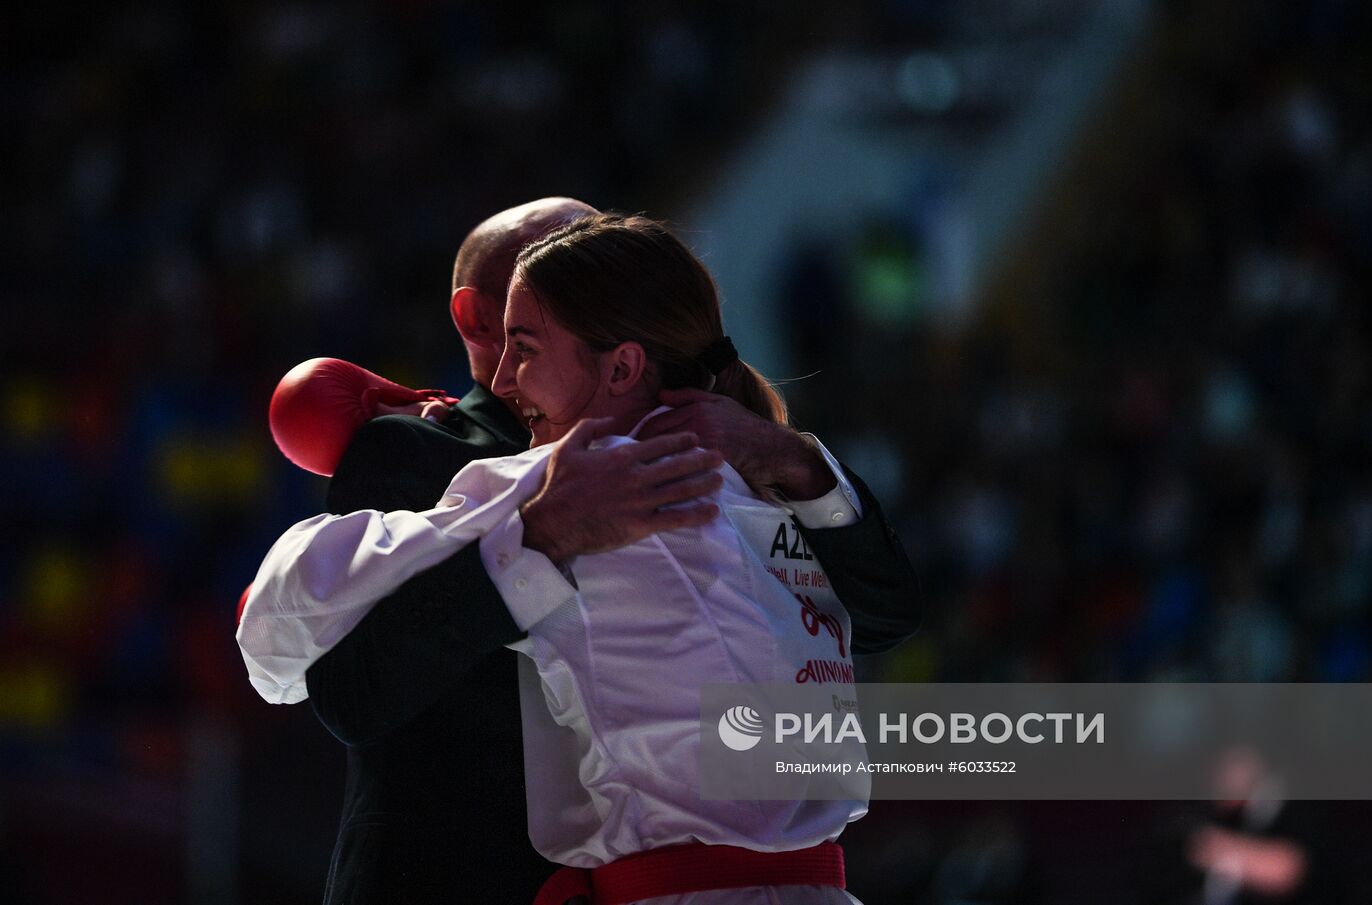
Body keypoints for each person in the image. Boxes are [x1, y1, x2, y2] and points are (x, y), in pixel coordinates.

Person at [240, 199, 920, 903]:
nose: (507, 375)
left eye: (527, 345)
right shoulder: (751, 483)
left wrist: (539, 533)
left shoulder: (684, 470)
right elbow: (354, 689)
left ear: (623, 361)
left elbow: (273, 627)